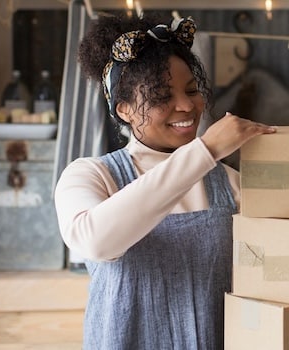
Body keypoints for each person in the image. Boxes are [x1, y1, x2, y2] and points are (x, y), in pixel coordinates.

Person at [53, 12, 276, 349]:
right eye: (161, 96)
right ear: (124, 109)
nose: (187, 106)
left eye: (191, 90)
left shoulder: (230, 183)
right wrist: (207, 148)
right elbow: (97, 242)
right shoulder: (90, 176)